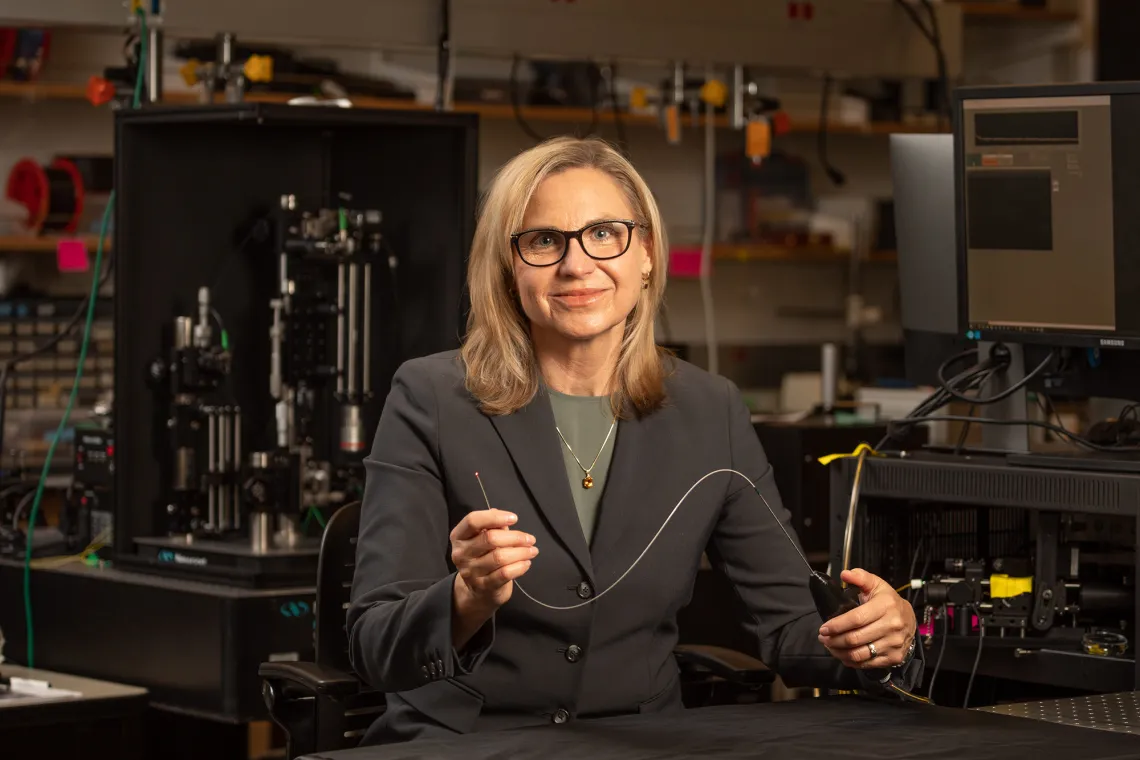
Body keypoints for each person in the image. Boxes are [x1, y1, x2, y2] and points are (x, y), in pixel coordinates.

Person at [347, 136, 922, 745]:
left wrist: (876, 640)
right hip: (471, 742)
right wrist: (467, 597)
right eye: (544, 241)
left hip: (639, 744)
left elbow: (793, 629)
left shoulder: (711, 410)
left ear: (645, 254)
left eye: (604, 233)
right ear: (507, 267)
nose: (577, 265)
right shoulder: (432, 396)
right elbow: (373, 646)